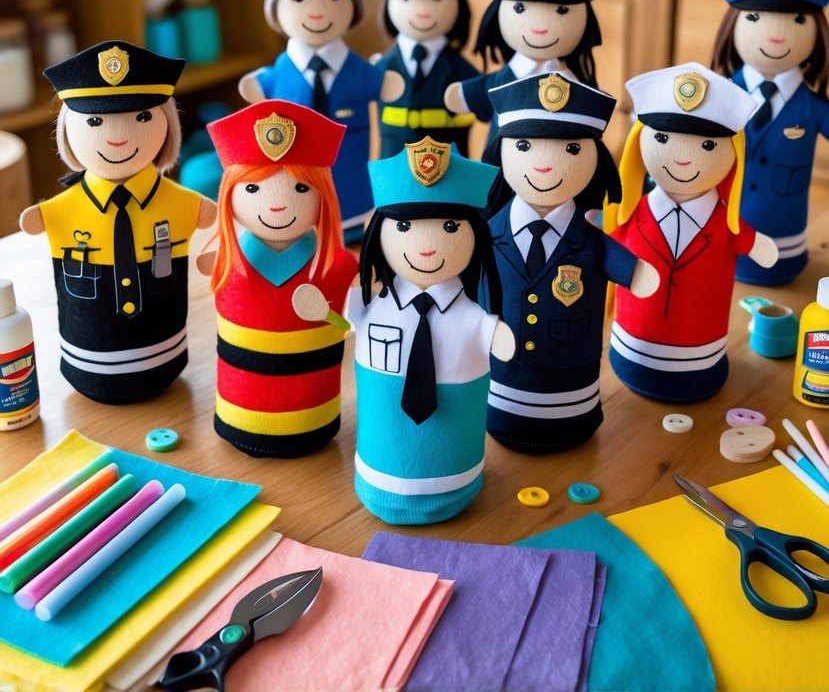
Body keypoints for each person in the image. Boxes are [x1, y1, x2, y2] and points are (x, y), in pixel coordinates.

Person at [19, 41, 216, 404]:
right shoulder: (60, 210)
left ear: (166, 125)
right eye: (94, 120)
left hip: (166, 357)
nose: (118, 134)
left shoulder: (180, 202)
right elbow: (35, 222)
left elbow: (209, 214)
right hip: (86, 362)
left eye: (143, 117)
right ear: (70, 129)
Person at [481, 73, 658, 451]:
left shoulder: (591, 242)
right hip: (499, 390)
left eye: (571, 149)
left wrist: (637, 273)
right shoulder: (485, 236)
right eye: (525, 145)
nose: (544, 164)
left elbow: (628, 269)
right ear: (502, 153)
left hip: (573, 395)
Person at [348, 138, 515, 524]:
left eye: (451, 226)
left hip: (457, 476)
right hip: (377, 471)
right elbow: (341, 322)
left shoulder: (472, 316)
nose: (426, 245)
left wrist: (496, 334)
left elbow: (498, 340)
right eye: (404, 225)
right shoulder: (370, 306)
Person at [606, 63, 778, 402]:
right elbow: (605, 250)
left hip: (702, 362)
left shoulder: (726, 226)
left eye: (708, 146)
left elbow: (760, 248)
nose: (683, 158)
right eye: (663, 138)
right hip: (631, 354)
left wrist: (759, 244)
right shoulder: (629, 217)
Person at [200, 100, 357, 457]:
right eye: (253, 189)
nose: (277, 205)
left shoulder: (340, 265)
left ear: (323, 196)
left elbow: (350, 325)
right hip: (239, 417)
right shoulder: (223, 263)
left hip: (314, 419)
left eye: (302, 189)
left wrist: (329, 316)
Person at [239, 0, 403, 237]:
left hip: (352, 203)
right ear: (275, 7)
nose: (317, 10)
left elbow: (388, 85)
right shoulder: (271, 79)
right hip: (292, 209)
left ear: (353, 4)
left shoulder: (361, 72)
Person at [712, 0, 829, 285]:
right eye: (754, 17)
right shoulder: (717, 95)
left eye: (796, 20)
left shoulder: (812, 105)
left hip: (786, 245)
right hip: (723, 243)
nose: (776, 36)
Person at [443, 0, 609, 146]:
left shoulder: (573, 83)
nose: (540, 25)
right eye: (520, 8)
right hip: (499, 171)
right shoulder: (498, 83)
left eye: (561, 10)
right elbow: (460, 97)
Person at [375, 0, 478, 157]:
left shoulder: (464, 71)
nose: (422, 10)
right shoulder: (379, 67)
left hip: (449, 174)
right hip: (393, 174)